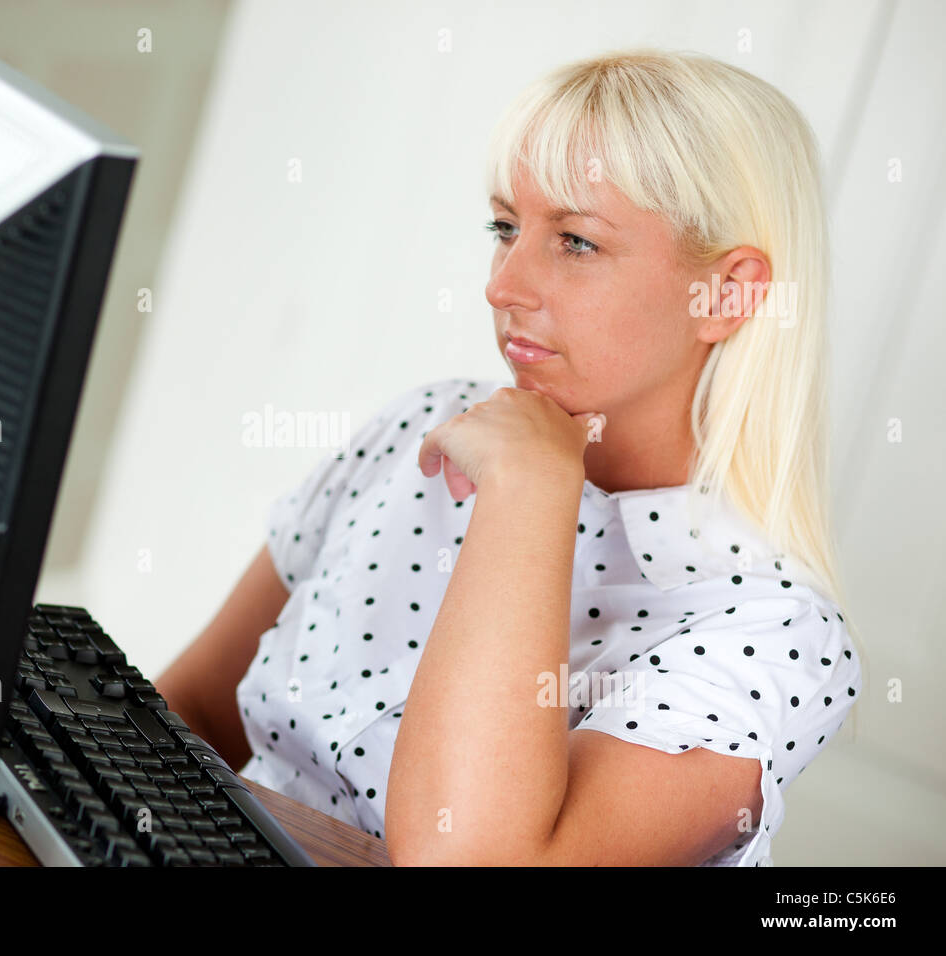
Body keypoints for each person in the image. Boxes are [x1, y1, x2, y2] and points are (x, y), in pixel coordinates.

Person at [156, 48, 863, 867]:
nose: (503, 284)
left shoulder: (770, 632)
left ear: (729, 294)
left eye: (575, 241)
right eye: (505, 228)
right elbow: (193, 710)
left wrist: (532, 488)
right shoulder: (422, 425)